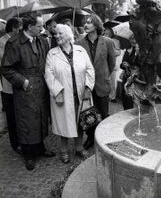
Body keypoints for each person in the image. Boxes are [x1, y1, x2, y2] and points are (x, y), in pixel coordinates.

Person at [1, 14, 54, 171]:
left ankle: (40, 148)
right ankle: (28, 154)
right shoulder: (14, 42)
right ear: (29, 27)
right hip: (25, 89)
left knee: (41, 118)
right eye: (39, 26)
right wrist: (22, 82)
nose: (42, 28)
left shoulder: (42, 40)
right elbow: (5, 68)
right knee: (27, 121)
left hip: (41, 86)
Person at [45, 24, 95, 163]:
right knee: (64, 124)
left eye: (60, 34)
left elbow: (90, 70)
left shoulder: (80, 50)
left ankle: (79, 148)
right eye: (56, 34)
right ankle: (64, 150)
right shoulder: (52, 53)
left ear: (68, 35)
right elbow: (49, 75)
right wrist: (57, 92)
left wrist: (88, 88)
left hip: (80, 94)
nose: (57, 36)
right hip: (64, 95)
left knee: (80, 123)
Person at [76, 14, 116, 149]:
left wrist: (104, 75)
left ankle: (103, 139)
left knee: (104, 114)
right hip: (86, 85)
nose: (85, 25)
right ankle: (90, 138)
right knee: (88, 114)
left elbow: (111, 64)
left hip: (102, 83)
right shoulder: (78, 43)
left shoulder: (108, 42)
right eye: (84, 23)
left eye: (89, 23)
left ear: (96, 25)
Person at [0, 17, 22, 154]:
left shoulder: (19, 39)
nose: (20, 30)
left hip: (20, 83)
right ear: (13, 28)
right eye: (19, 27)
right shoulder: (2, 41)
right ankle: (15, 143)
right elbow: (4, 62)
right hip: (8, 84)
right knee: (11, 115)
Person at [120, 34, 140, 110]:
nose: (133, 40)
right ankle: (126, 112)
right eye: (131, 39)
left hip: (135, 78)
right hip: (127, 76)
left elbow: (140, 64)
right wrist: (124, 64)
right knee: (125, 98)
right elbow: (121, 64)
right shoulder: (127, 50)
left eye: (135, 39)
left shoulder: (140, 51)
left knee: (133, 98)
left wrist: (138, 53)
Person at [103, 26, 121, 102]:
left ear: (111, 33)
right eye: (104, 33)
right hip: (103, 64)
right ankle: (105, 95)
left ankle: (112, 97)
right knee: (104, 81)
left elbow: (118, 52)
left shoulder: (115, 41)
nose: (105, 34)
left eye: (107, 33)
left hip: (112, 64)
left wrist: (110, 52)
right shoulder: (102, 40)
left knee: (112, 81)